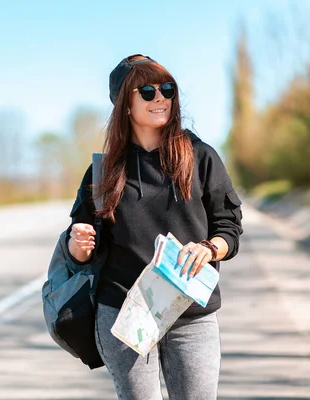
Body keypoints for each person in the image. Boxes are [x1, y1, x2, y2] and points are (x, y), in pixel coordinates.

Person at [66, 54, 243, 399]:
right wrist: (79, 246)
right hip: (125, 311)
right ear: (124, 105)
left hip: (191, 314)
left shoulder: (199, 155)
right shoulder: (104, 172)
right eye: (146, 91)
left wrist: (208, 249)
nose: (160, 97)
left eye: (167, 89)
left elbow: (229, 227)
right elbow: (80, 250)